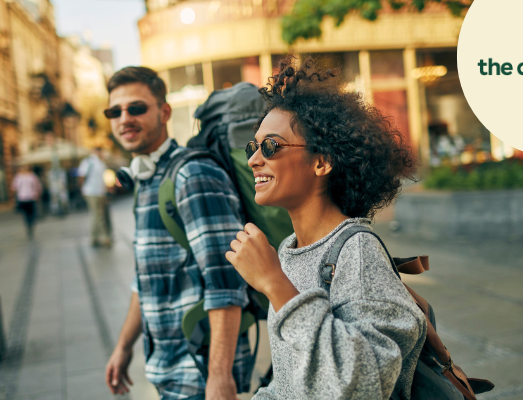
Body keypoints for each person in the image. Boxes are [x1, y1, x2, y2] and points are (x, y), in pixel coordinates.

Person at [225, 57, 428, 400]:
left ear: (322, 161)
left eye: (271, 146)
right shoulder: (290, 251)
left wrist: (275, 285)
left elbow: (360, 385)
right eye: (252, 146)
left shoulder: (357, 251)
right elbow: (293, 382)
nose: (254, 159)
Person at [103, 66, 250, 400]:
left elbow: (226, 281)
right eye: (115, 111)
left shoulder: (192, 174)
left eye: (136, 108)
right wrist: (124, 346)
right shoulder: (149, 179)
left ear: (164, 112)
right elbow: (146, 279)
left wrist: (219, 377)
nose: (124, 118)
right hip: (167, 369)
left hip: (198, 374)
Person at [78, 147, 112, 247]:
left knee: (98, 214)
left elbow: (103, 178)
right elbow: (81, 176)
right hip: (91, 191)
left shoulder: (101, 163)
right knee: (98, 214)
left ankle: (95, 237)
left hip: (99, 192)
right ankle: (103, 237)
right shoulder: (88, 162)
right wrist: (83, 189)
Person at [11, 165, 42, 239]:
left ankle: (29, 224)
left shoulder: (19, 177)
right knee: (30, 213)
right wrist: (38, 193)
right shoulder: (32, 176)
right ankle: (30, 224)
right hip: (30, 197)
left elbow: (14, 187)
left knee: (27, 213)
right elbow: (38, 186)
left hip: (23, 197)